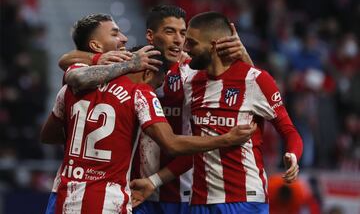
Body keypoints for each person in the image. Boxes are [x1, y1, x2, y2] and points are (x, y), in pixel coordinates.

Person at [41, 13, 257, 213]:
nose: (179, 40)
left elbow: (49, 133)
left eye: (184, 34)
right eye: (170, 31)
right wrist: (227, 139)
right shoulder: (140, 92)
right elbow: (172, 143)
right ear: (151, 37)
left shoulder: (74, 80)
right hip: (118, 197)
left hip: (66, 195)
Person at [130, 12, 303, 214]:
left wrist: (292, 154)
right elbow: (194, 146)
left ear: (213, 45)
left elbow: (289, 130)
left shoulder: (255, 80)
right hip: (200, 202)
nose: (185, 49)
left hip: (245, 200)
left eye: (191, 43)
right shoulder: (190, 83)